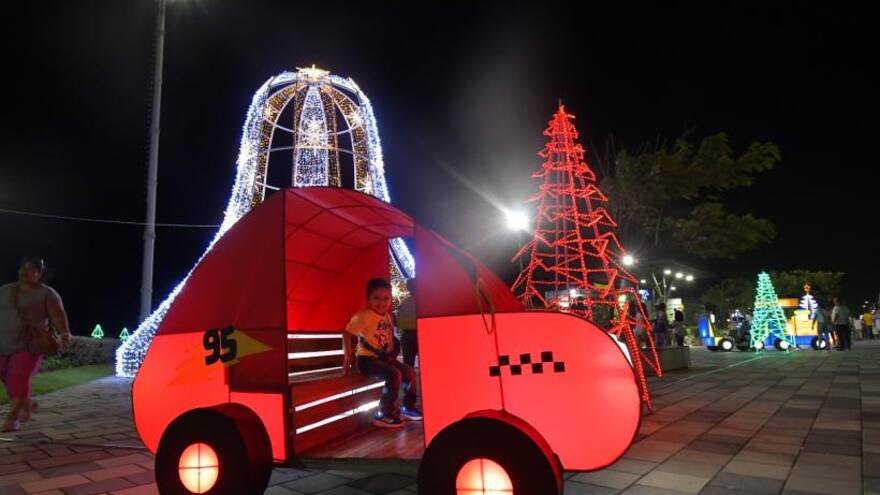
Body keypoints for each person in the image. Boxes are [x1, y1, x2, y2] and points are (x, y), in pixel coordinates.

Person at [0, 258, 71, 432]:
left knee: (18, 376)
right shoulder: (5, 290)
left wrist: (64, 334)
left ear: (40, 274)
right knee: (6, 377)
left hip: (30, 344)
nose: (26, 271)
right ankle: (27, 403)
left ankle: (13, 417)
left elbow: (57, 316)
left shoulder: (47, 293)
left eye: (32, 269)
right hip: (2, 343)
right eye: (23, 268)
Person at [343, 278, 421, 428]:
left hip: (384, 359)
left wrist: (393, 352)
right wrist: (348, 355)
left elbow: (388, 337)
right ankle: (383, 413)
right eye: (376, 298)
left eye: (386, 298)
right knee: (394, 374)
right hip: (367, 360)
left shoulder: (387, 316)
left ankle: (408, 407)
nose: (382, 302)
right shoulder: (363, 316)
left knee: (410, 372)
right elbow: (346, 333)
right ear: (368, 299)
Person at [395, 280, 418, 367]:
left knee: (408, 364)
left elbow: (399, 323)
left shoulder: (403, 303)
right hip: (421, 333)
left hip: (407, 335)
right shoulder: (424, 302)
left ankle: (409, 380)